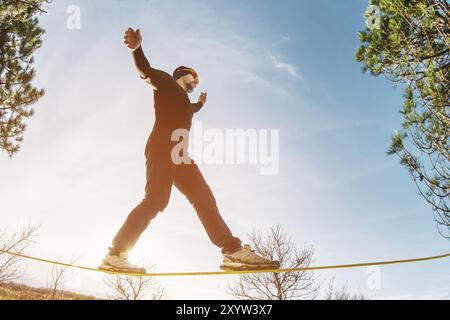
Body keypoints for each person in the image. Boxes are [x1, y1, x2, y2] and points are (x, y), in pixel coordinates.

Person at [99, 28, 280, 273]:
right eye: (195, 78)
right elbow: (146, 73)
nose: (196, 83)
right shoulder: (165, 83)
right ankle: (116, 254)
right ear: (184, 74)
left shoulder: (184, 101)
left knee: (203, 197)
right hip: (163, 145)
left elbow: (190, 109)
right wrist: (137, 50)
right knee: (155, 201)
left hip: (180, 154)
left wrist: (201, 104)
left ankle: (231, 251)